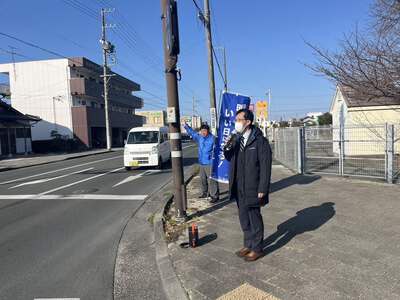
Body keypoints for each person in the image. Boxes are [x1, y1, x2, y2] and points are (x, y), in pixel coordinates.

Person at [224, 108, 272, 262]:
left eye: (239, 119)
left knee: (254, 217)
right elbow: (228, 157)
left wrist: (263, 188)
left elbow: (265, 166)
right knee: (243, 217)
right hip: (239, 186)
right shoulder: (237, 139)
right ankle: (248, 244)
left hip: (253, 186)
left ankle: (257, 249)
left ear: (248, 122)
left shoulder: (259, 141)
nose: (236, 122)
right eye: (236, 120)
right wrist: (227, 146)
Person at [184, 123, 220, 203]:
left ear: (208, 131)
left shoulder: (213, 139)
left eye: (205, 131)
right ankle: (205, 192)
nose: (203, 132)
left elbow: (219, 147)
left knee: (212, 180)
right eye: (202, 131)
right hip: (201, 163)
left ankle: (215, 196)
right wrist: (187, 126)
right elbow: (192, 133)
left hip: (210, 162)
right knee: (203, 179)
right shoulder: (200, 137)